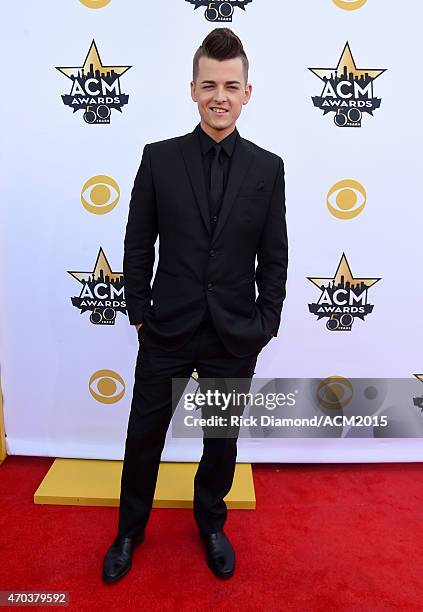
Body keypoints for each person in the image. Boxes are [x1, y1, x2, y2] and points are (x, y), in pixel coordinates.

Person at [102, 27, 288, 583]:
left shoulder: (267, 168)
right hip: (167, 328)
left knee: (220, 441)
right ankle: (129, 530)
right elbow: (138, 241)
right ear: (192, 88)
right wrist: (139, 309)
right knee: (144, 436)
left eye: (231, 85)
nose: (220, 96)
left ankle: (210, 524)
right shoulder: (158, 159)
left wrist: (266, 321)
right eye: (210, 84)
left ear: (247, 92)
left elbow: (274, 254)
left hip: (234, 333)